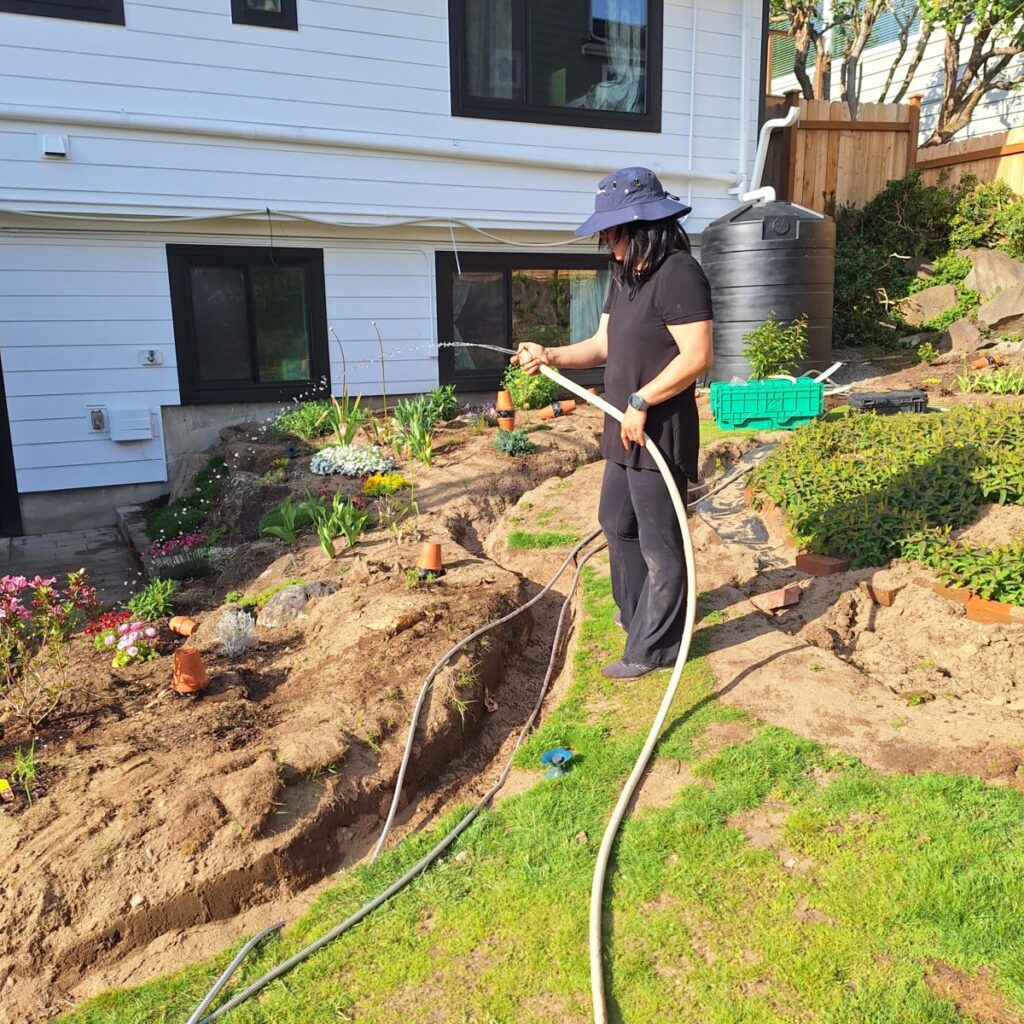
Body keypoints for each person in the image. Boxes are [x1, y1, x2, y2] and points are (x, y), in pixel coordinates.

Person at [513, 167, 714, 679]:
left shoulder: (679, 274)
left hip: (656, 431)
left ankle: (657, 646)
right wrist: (551, 354)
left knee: (660, 541)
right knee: (615, 522)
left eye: (612, 229)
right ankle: (639, 616)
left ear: (643, 225)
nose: (605, 238)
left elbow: (697, 356)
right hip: (622, 427)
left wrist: (643, 399)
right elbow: (603, 345)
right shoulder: (625, 276)